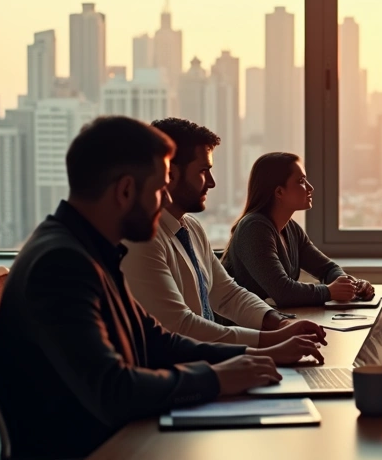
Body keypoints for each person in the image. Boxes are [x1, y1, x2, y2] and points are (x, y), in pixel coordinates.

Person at [0, 116, 331, 460]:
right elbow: (113, 389)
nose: (163, 200)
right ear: (125, 190)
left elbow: (159, 341)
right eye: (158, 189)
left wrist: (253, 354)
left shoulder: (90, 248)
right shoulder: (62, 263)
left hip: (121, 450)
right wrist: (216, 379)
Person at [120, 118, 327, 364]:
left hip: (209, 362)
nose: (212, 182)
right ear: (170, 174)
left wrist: (280, 322)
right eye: (202, 171)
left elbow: (227, 294)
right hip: (181, 375)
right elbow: (181, 325)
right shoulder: (141, 240)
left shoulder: (192, 228)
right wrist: (269, 344)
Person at [223, 152, 374, 307]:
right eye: (301, 181)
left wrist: (349, 285)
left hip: (270, 324)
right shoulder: (254, 229)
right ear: (279, 192)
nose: (310, 187)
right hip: (241, 327)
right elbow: (283, 292)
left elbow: (327, 269)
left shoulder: (290, 228)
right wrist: (329, 292)